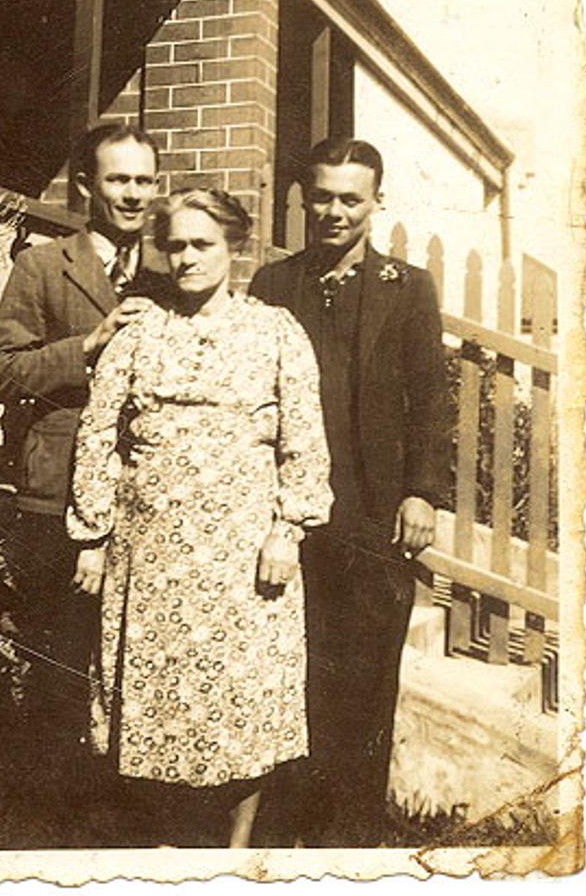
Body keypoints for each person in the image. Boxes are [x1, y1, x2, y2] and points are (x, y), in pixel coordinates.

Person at [66, 188, 333, 848]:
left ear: (233, 246)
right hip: (150, 552)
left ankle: (235, 851)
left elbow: (305, 439)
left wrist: (286, 529)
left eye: (201, 244)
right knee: (153, 696)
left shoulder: (275, 330)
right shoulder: (137, 329)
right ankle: (164, 845)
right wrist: (92, 536)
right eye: (175, 245)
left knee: (243, 695)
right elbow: (99, 434)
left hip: (242, 553)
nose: (186, 258)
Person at [249, 137, 451, 846]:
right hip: (294, 517)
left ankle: (351, 841)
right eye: (323, 196)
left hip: (376, 515)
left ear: (376, 201)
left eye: (350, 198)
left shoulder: (410, 286)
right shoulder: (273, 285)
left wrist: (423, 492)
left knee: (367, 679)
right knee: (295, 672)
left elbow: (431, 398)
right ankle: (283, 832)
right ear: (305, 197)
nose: (334, 211)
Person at [0, 121, 168, 842]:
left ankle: (116, 820)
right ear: (87, 185)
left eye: (143, 181)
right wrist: (87, 346)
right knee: (59, 657)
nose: (132, 194)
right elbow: (1, 373)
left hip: (148, 496)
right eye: (118, 180)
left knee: (130, 660)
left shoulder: (169, 268)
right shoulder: (43, 265)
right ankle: (43, 827)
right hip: (57, 490)